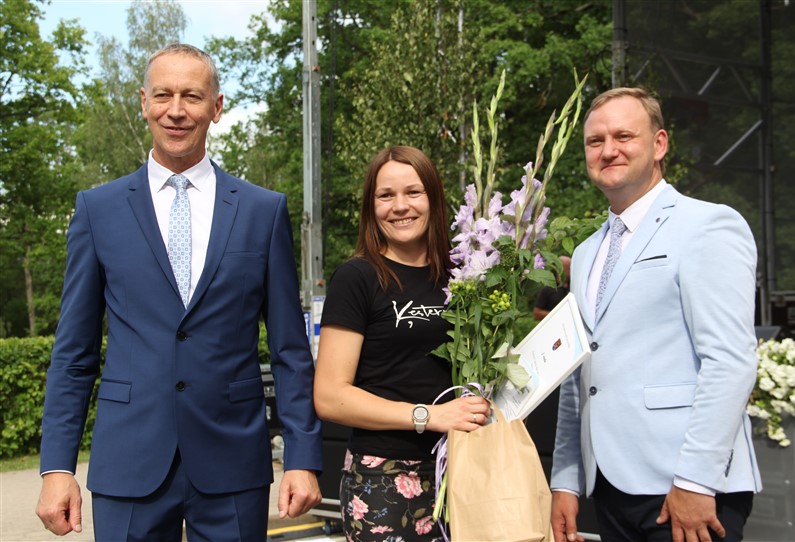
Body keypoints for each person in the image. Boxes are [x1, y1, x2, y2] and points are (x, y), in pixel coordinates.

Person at [35, 43, 322, 541]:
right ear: (143, 102)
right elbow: (74, 354)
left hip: (233, 461)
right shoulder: (98, 211)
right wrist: (56, 466)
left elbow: (290, 352)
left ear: (217, 106)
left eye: (191, 95)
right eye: (163, 95)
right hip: (129, 462)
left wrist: (302, 456)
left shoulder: (263, 211)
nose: (176, 110)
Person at [550, 87, 761, 542]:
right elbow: (577, 374)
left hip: (686, 489)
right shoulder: (585, 254)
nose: (608, 150)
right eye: (595, 141)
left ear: (659, 144)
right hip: (610, 489)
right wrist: (565, 480)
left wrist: (695, 480)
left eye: (624, 136)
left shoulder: (707, 226)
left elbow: (730, 361)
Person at [313, 146, 490, 540]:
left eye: (413, 192)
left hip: (465, 470)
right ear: (370, 206)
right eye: (385, 195)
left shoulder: (466, 274)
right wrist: (429, 416)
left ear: (434, 198)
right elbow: (329, 396)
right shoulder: (357, 278)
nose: (400, 206)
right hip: (384, 478)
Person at [533, 255, 571, 320]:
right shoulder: (548, 289)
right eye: (569, 268)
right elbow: (536, 313)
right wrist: (559, 315)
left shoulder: (573, 287)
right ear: (561, 268)